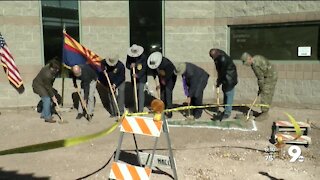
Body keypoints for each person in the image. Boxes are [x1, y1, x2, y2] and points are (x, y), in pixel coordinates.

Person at [240, 52, 278, 121]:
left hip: (270, 77)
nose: (246, 64)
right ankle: (263, 112)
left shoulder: (255, 65)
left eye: (245, 62)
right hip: (269, 74)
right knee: (265, 92)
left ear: (249, 59)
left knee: (266, 94)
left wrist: (261, 87)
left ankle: (264, 113)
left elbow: (260, 78)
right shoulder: (257, 57)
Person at [209, 48, 238, 120]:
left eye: (213, 57)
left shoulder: (223, 59)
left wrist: (219, 81)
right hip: (225, 78)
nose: (213, 59)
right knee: (225, 91)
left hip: (229, 78)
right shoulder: (219, 56)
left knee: (229, 93)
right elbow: (219, 71)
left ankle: (227, 112)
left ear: (216, 55)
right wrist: (219, 81)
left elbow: (222, 72)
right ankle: (226, 107)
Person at [147, 52, 177, 118]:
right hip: (162, 76)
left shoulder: (167, 64)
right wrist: (157, 82)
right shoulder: (153, 63)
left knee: (168, 92)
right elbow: (154, 72)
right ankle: (162, 107)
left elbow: (170, 73)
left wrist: (164, 80)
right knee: (162, 92)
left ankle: (169, 112)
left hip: (171, 77)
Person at [32, 58, 61, 123]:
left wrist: (52, 94)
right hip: (38, 85)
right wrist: (53, 97)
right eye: (56, 69)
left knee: (48, 98)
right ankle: (47, 117)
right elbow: (48, 87)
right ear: (52, 68)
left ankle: (44, 114)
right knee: (47, 99)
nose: (57, 70)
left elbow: (49, 84)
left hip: (43, 84)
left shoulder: (50, 68)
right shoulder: (47, 74)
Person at [126, 44, 147, 112]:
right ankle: (136, 108)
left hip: (141, 78)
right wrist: (130, 66)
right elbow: (127, 64)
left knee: (141, 93)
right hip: (134, 78)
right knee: (135, 93)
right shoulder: (129, 56)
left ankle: (140, 110)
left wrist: (137, 75)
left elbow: (144, 69)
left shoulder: (143, 57)